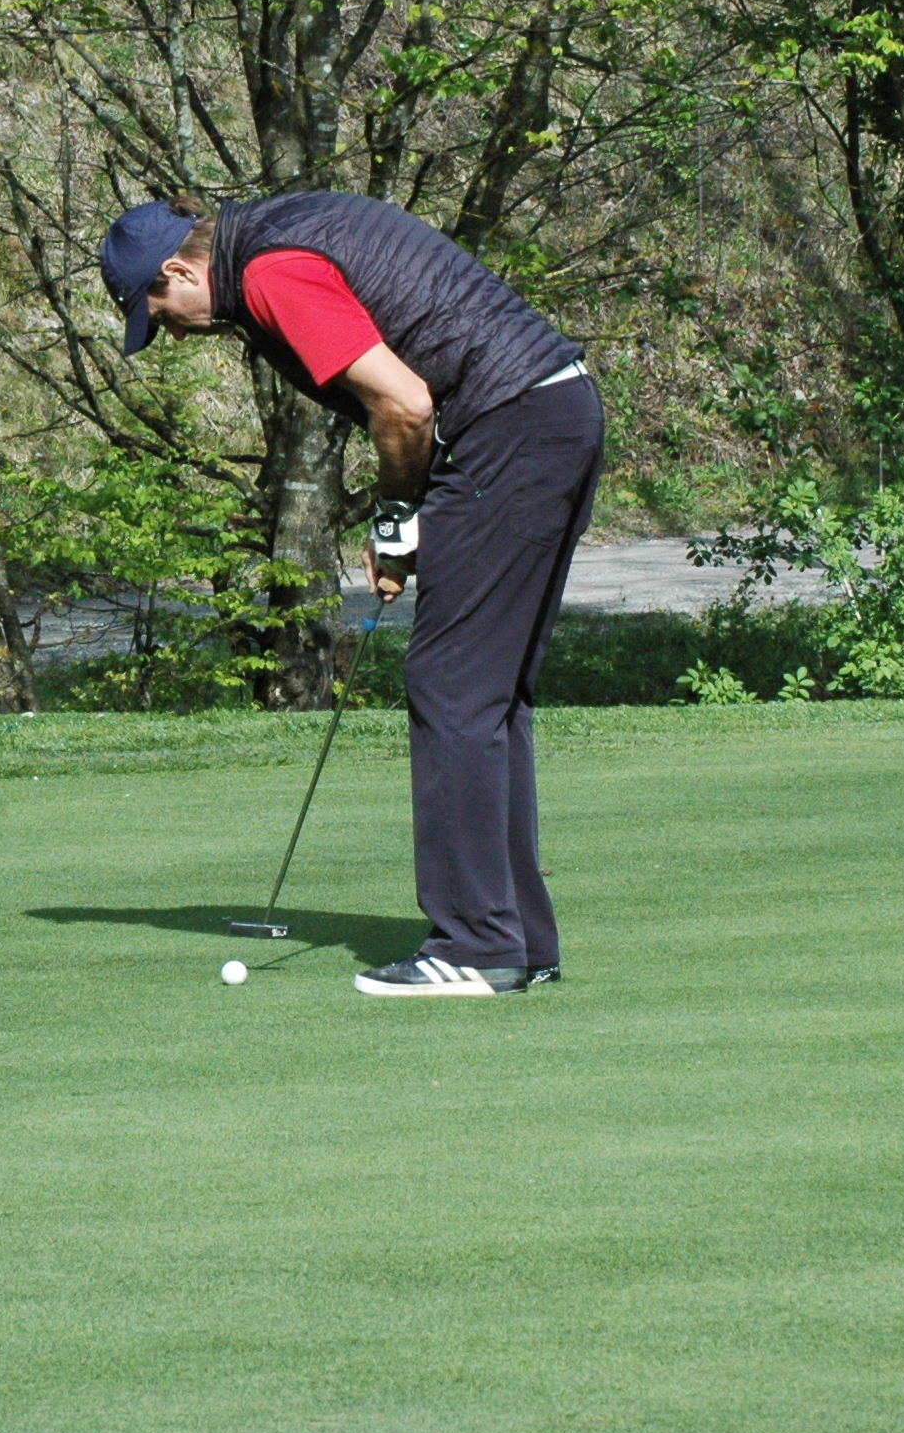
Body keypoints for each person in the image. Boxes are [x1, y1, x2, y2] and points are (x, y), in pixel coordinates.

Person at [99, 191, 601, 995]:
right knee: (489, 691)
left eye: (159, 313)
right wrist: (407, 514)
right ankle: (516, 941)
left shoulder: (270, 272)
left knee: (453, 683)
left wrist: (398, 511)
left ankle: (477, 946)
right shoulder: (278, 231)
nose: (172, 331)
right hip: (551, 409)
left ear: (179, 272)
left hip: (510, 423)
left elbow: (405, 403)